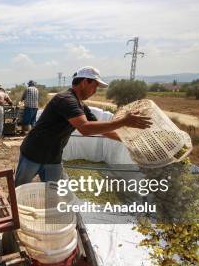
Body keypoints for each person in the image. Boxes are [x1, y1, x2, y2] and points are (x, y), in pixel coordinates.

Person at [15, 66, 152, 186]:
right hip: (33, 153)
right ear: (85, 82)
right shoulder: (66, 99)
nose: (95, 91)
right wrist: (123, 122)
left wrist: (128, 141)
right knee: (19, 189)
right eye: (95, 86)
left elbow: (100, 129)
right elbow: (85, 128)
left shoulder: (80, 105)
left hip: (53, 157)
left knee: (55, 194)